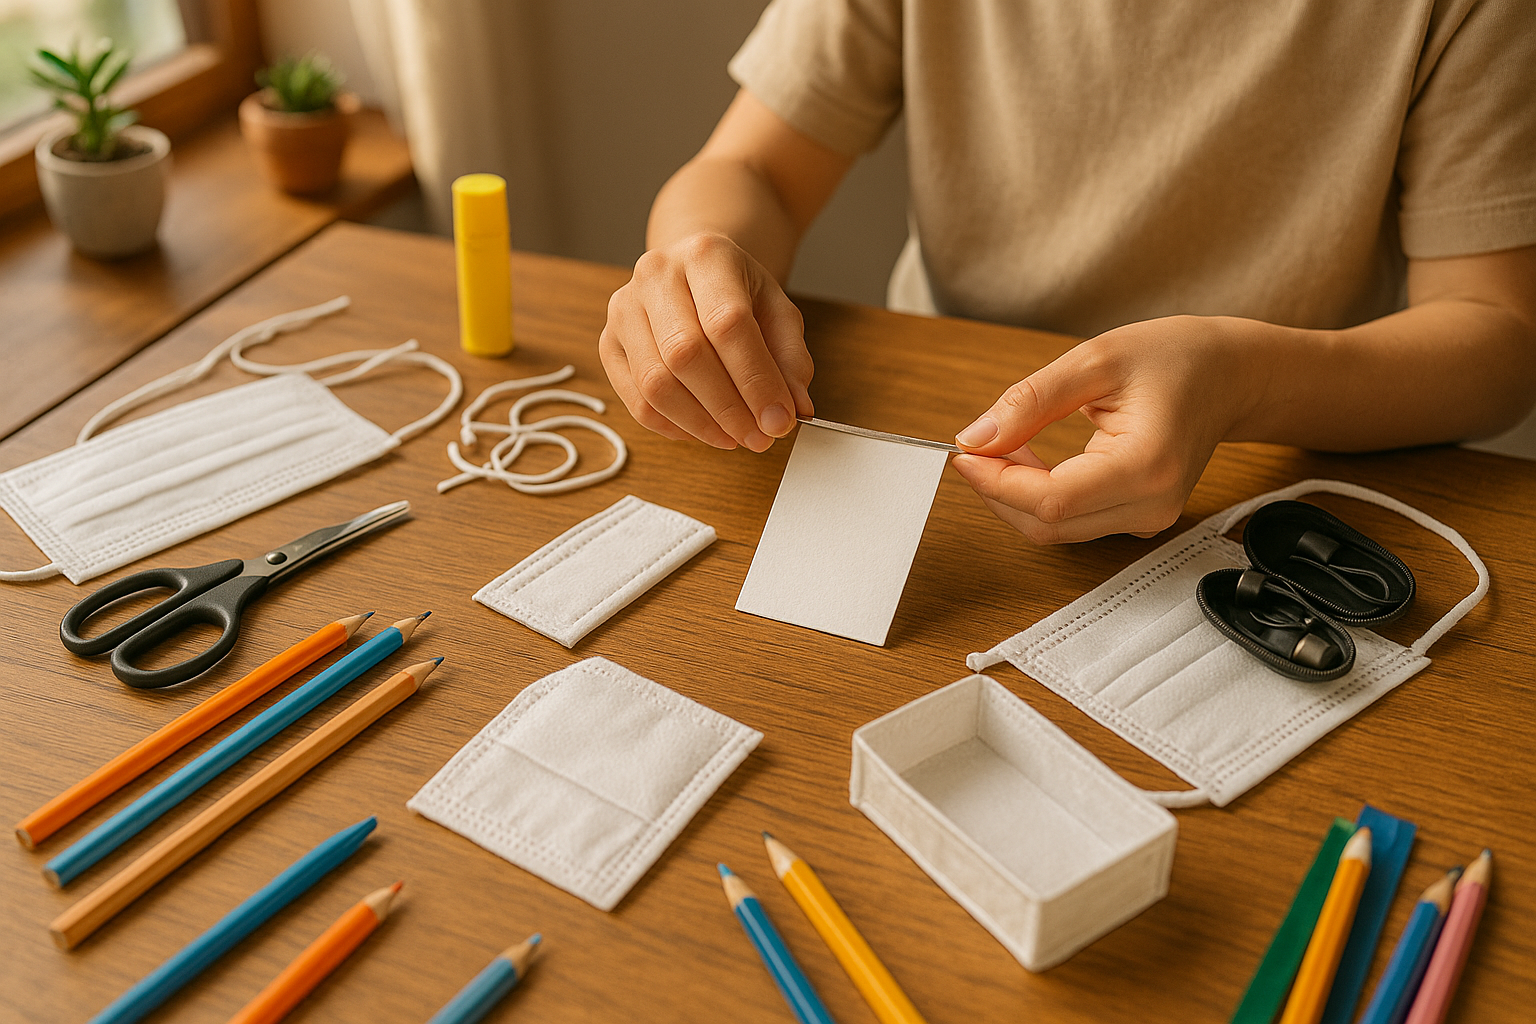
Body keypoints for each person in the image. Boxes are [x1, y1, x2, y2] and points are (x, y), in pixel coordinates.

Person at [598, 0, 1536, 543]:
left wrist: (1243, 380)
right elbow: (753, 170)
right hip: (938, 437)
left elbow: (1497, 336)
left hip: (1273, 479)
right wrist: (694, 256)